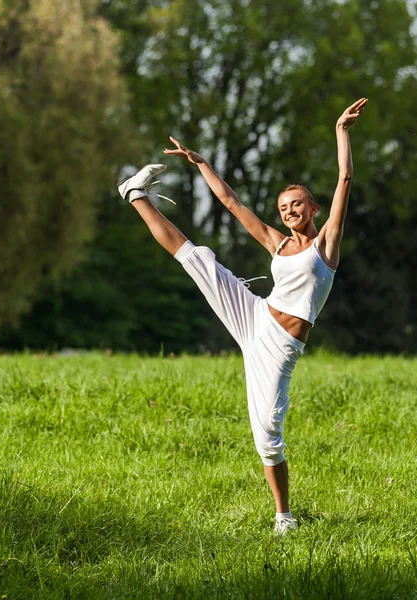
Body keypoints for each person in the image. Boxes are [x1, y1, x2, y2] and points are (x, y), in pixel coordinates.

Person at [117, 98, 368, 533]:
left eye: (297, 204)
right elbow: (231, 203)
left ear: (313, 209)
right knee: (197, 259)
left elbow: (345, 177)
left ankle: (283, 516)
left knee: (267, 435)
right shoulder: (278, 243)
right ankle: (134, 193)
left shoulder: (325, 244)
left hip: (280, 347)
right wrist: (201, 163)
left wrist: (340, 131)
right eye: (284, 206)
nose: (289, 210)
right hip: (255, 315)